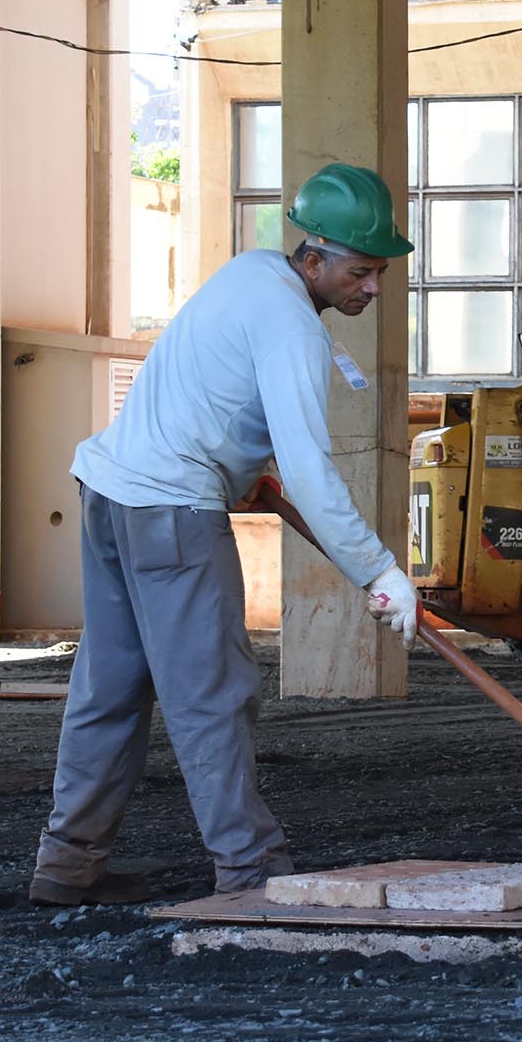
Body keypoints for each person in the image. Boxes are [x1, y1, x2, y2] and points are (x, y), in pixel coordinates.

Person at [29, 162, 418, 906]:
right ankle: (249, 871)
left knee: (108, 689)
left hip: (110, 495)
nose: (372, 287)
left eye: (380, 272)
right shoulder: (295, 329)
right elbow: (309, 471)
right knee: (212, 693)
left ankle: (67, 865)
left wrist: (243, 470)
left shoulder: (247, 276)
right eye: (362, 271)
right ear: (315, 255)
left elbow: (211, 396)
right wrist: (379, 570)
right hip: (170, 511)